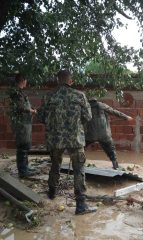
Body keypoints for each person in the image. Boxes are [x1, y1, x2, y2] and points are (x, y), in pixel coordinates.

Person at [38, 70, 96, 215]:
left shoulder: (48, 96)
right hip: (75, 139)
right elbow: (88, 117)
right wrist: (75, 125)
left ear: (58, 80)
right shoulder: (79, 95)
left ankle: (52, 192)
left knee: (55, 165)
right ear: (71, 81)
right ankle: (81, 205)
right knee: (79, 169)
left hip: (55, 139)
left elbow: (41, 117)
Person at [85, 98, 133, 169]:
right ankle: (115, 166)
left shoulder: (86, 107)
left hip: (90, 135)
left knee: (80, 147)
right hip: (104, 134)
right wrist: (126, 117)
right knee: (111, 150)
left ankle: (78, 163)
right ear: (96, 100)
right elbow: (114, 112)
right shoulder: (102, 105)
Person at [9, 73, 38, 178]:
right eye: (26, 80)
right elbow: (20, 108)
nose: (26, 82)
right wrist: (32, 111)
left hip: (25, 124)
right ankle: (23, 171)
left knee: (25, 146)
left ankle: (25, 167)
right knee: (22, 147)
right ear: (23, 81)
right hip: (21, 124)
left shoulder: (19, 92)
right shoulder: (17, 93)